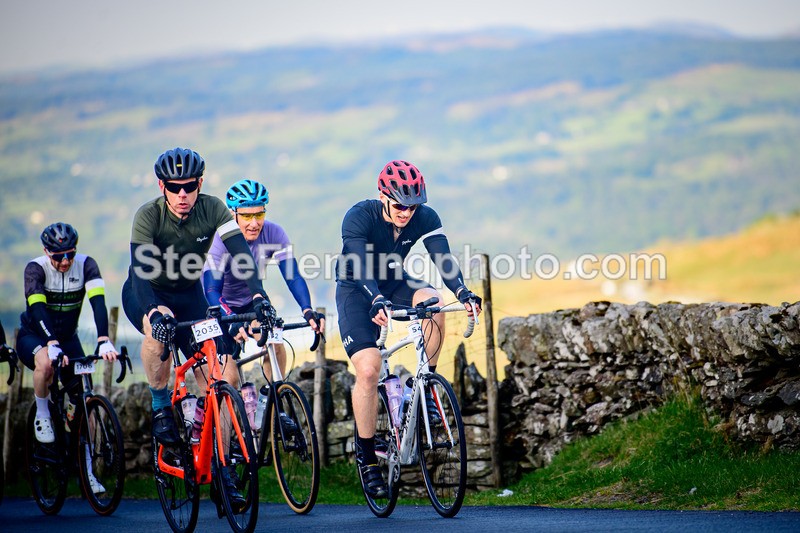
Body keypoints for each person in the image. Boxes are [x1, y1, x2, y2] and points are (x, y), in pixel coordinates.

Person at [121, 147, 271, 505]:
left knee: (222, 377)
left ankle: (221, 466)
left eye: (189, 186)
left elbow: (242, 257)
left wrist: (259, 298)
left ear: (200, 183)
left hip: (189, 293)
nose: (183, 194)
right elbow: (141, 274)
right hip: (148, 292)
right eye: (175, 188)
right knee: (158, 337)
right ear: (163, 186)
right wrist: (154, 313)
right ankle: (160, 406)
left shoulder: (215, 208)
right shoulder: (148, 216)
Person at [335, 160, 482, 498]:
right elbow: (357, 265)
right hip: (357, 290)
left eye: (413, 206)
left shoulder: (424, 217)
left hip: (394, 283)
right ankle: (368, 457)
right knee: (370, 371)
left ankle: (426, 384)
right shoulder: (359, 216)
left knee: (433, 301)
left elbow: (443, 259)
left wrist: (462, 291)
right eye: (400, 205)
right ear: (383, 196)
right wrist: (374, 300)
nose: (406, 212)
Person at [16, 222, 118, 493]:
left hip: (69, 339)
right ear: (46, 252)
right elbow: (37, 308)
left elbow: (98, 302)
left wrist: (103, 339)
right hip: (34, 336)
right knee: (47, 364)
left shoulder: (86, 266)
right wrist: (50, 342)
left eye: (69, 255)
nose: (64, 261)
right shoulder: (35, 269)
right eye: (58, 256)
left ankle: (86, 471)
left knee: (85, 399)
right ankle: (42, 413)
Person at [202, 179, 324, 389]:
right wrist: (232, 321)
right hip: (219, 305)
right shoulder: (221, 240)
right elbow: (212, 289)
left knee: (275, 343)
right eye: (247, 216)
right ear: (233, 214)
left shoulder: (274, 233)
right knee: (229, 379)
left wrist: (307, 310)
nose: (254, 223)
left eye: (259, 214)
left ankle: (271, 402)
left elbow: (292, 275)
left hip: (253, 300)